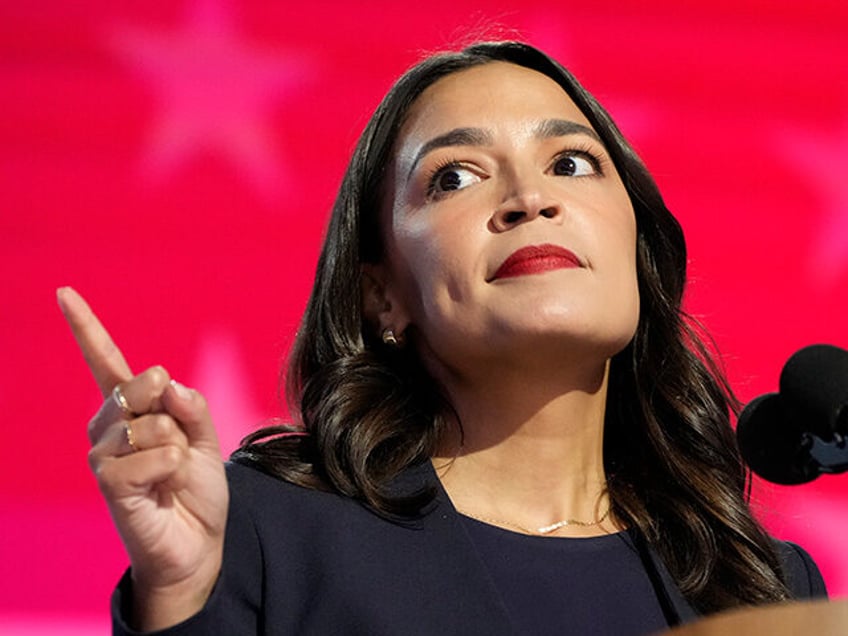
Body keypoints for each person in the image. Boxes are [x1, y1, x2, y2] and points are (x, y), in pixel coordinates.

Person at [58, 41, 826, 635]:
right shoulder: (270, 532)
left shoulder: (764, 585)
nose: (529, 198)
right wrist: (185, 600)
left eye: (570, 163)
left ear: (638, 252)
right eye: (455, 177)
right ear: (383, 295)